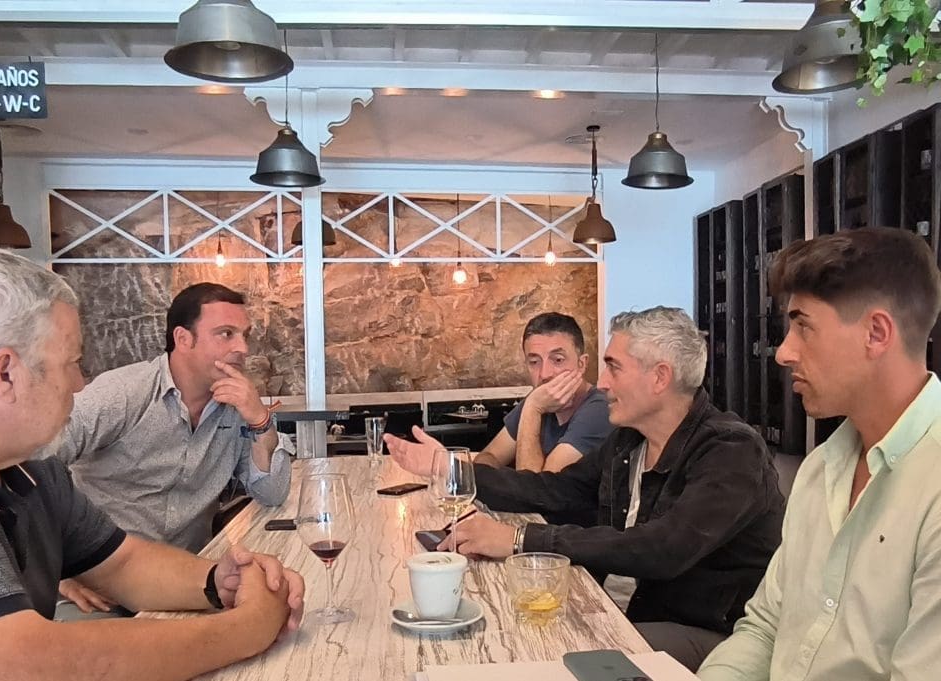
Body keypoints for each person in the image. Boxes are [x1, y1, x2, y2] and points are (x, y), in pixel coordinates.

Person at [0, 247, 304, 681]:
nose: (80, 382)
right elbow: (18, 663)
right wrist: (246, 628)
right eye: (73, 363)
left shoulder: (28, 462)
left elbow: (122, 563)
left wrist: (221, 580)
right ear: (5, 374)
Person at [387, 306, 784, 671]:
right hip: (625, 607)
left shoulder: (731, 450)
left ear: (660, 377)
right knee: (502, 629)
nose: (603, 382)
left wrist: (518, 538)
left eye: (614, 368)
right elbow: (553, 490)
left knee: (545, 654)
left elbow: (661, 549)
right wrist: (449, 468)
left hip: (707, 630)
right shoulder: (630, 441)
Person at [699, 228, 941, 681]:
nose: (783, 352)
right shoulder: (820, 468)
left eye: (803, 326)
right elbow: (766, 629)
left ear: (876, 333)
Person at [43, 282, 293, 614]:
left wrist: (261, 420)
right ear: (183, 339)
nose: (243, 348)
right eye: (226, 334)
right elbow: (34, 462)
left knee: (282, 618)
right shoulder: (124, 393)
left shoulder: (238, 408)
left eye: (245, 335)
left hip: (187, 584)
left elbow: (272, 493)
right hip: (101, 592)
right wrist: (59, 569)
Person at [475, 312, 612, 473]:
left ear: (581, 364)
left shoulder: (600, 408)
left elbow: (534, 485)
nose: (545, 374)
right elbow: (488, 456)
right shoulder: (538, 399)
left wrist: (533, 408)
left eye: (558, 360)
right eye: (534, 362)